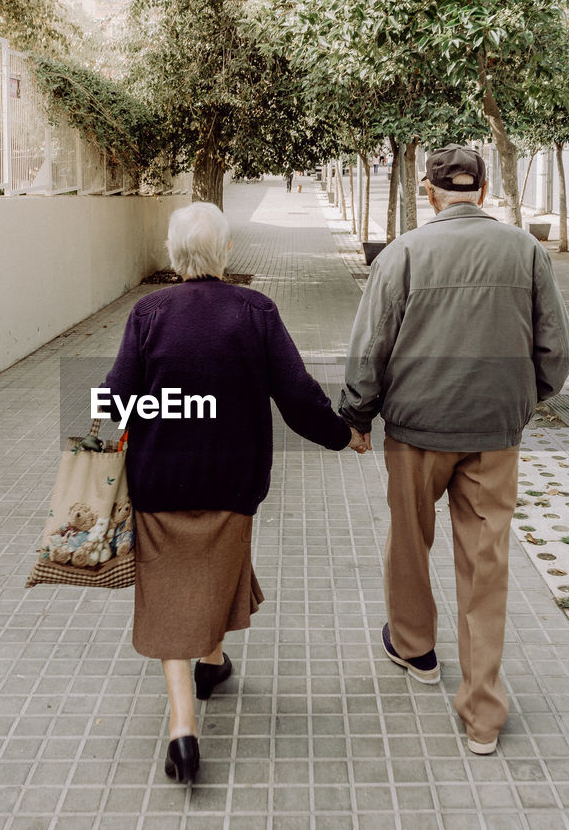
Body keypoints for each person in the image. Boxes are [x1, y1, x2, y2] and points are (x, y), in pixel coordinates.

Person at [104, 201, 367, 784]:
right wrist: (342, 434)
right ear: (224, 252)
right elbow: (297, 394)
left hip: (160, 483)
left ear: (175, 256)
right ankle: (202, 682)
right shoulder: (254, 311)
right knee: (218, 569)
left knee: (172, 591)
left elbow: (110, 401)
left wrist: (104, 445)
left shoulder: (148, 314)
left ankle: (186, 722)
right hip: (232, 482)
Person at [338, 145, 569, 756]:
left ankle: (416, 650)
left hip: (417, 432)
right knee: (485, 566)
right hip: (494, 436)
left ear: (429, 191)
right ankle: (482, 716)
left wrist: (357, 415)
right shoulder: (525, 251)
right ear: (485, 187)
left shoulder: (403, 254)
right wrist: (524, 400)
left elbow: (369, 350)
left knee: (409, 542)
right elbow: (559, 349)